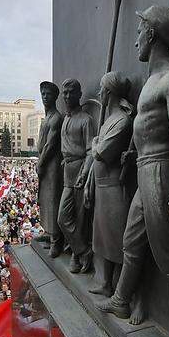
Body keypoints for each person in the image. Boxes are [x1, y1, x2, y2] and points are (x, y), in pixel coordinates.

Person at [96, 5, 169, 337]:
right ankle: (122, 298)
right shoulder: (151, 83)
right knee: (131, 240)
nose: (136, 39)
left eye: (140, 31)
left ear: (152, 33)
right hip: (143, 168)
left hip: (161, 172)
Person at [86, 71, 134, 298]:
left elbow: (101, 152)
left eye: (102, 90)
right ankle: (105, 282)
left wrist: (96, 143)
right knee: (102, 237)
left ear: (109, 93)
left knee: (115, 239)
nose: (99, 94)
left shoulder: (122, 121)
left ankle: (124, 290)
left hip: (114, 189)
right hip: (101, 186)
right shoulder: (108, 121)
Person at [57, 78, 96, 273]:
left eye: (71, 92)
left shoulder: (86, 120)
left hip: (80, 169)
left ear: (79, 95)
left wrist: (85, 172)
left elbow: (91, 150)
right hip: (68, 171)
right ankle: (83, 250)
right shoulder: (66, 118)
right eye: (64, 92)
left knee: (80, 218)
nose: (66, 96)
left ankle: (76, 254)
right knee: (63, 218)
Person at [36, 81, 65, 258]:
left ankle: (56, 240)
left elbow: (50, 145)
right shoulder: (46, 117)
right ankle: (48, 232)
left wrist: (41, 163)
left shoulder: (56, 118)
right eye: (43, 94)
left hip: (52, 166)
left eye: (48, 94)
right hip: (45, 165)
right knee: (45, 200)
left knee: (53, 200)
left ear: (55, 97)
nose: (45, 97)